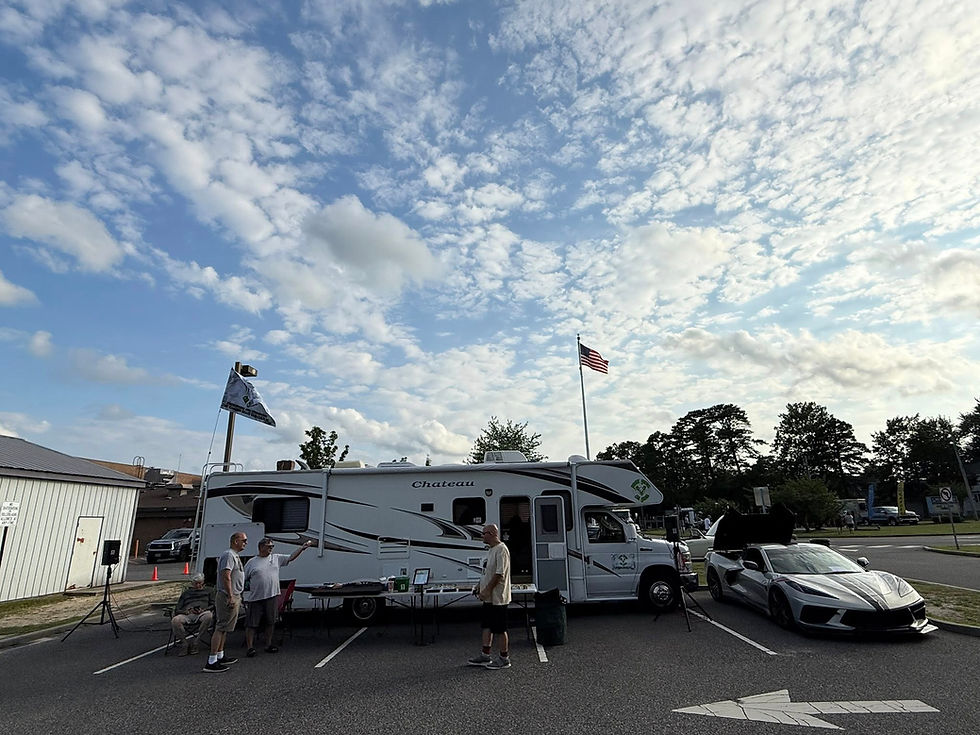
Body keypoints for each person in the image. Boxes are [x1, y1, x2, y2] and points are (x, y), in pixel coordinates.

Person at [243, 537, 315, 657]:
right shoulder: (252, 562)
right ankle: (250, 647)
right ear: (261, 547)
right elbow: (244, 579)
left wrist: (302, 549)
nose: (271, 548)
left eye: (272, 546)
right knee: (252, 623)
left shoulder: (276, 558)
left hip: (271, 595)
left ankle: (268, 644)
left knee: (270, 621)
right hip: (256, 597)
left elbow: (291, 557)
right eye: (269, 546)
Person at [467, 523, 512, 670]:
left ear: (492, 534)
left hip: (498, 598)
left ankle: (504, 658)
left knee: (500, 628)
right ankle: (485, 655)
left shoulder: (501, 550)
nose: (482, 536)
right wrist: (479, 587)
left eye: (484, 533)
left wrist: (486, 590)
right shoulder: (491, 550)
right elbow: (487, 573)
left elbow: (499, 574)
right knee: (486, 626)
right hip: (489, 598)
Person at [205, 531, 247, 673]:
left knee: (226, 628)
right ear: (235, 541)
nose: (245, 543)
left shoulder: (235, 555)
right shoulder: (228, 555)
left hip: (234, 594)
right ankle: (211, 661)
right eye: (243, 540)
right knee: (221, 627)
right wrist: (230, 595)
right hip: (227, 595)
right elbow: (226, 575)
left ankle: (220, 655)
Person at [171, 572, 214, 656]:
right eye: (196, 584)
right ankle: (184, 644)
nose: (198, 586)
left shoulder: (209, 591)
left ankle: (196, 642)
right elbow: (178, 609)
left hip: (202, 613)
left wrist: (204, 609)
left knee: (209, 616)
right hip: (187, 613)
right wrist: (186, 611)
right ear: (192, 584)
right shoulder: (186, 593)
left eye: (200, 583)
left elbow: (213, 604)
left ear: (203, 583)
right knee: (175, 620)